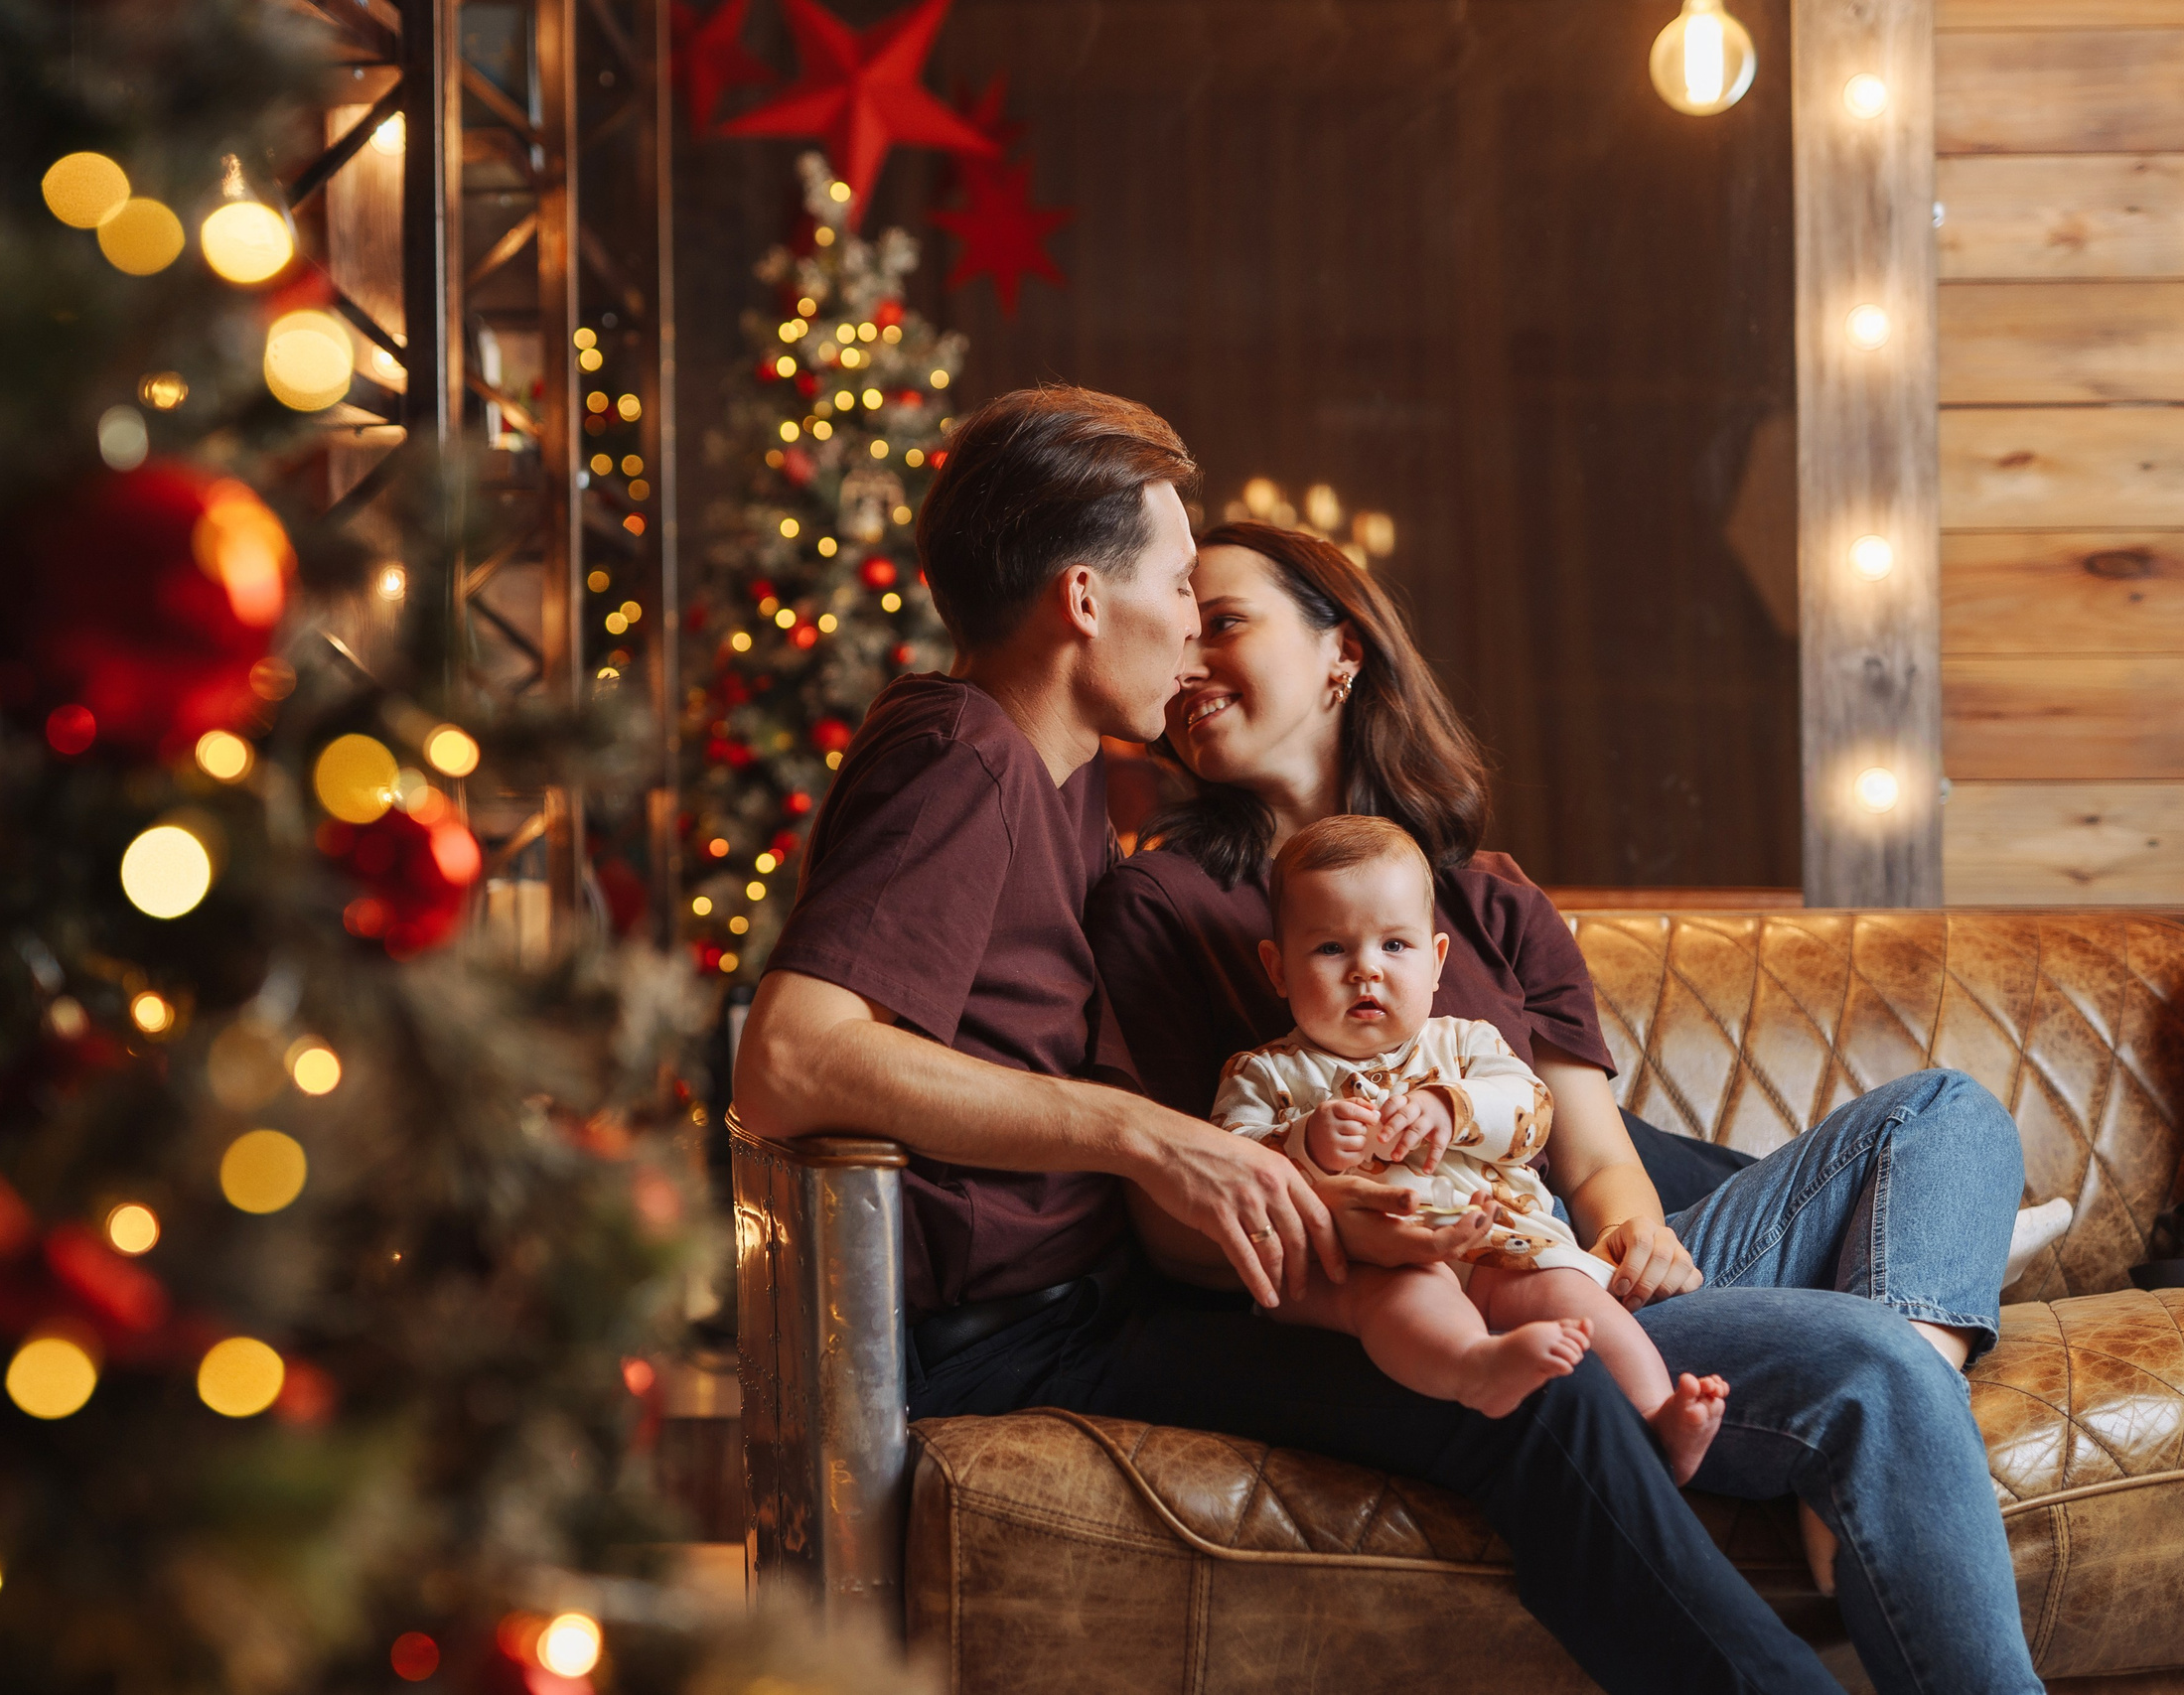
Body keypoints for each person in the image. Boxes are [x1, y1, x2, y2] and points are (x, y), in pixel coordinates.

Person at [734, 383, 1850, 1695]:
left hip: (1097, 1301)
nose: (1192, 646)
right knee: (1535, 1399)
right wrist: (1152, 1138)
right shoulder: (964, 752)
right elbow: (791, 1054)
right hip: (1027, 1336)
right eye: (1176, 591)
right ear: (1086, 600)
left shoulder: (1063, 778)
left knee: (1541, 1352)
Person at [1087, 518, 2042, 1694]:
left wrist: (1636, 1233)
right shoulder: (1161, 901)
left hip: (1579, 1247)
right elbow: (1178, 1209)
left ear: (1341, 652)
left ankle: (1914, 1361)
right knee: (1869, 1363)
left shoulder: (1489, 900)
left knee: (1946, 1110)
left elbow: (1591, 1157)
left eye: (1221, 622)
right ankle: (1898, 1362)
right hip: (1471, 1283)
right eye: (1181, 630)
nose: (1186, 660)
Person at [1209, 814, 1732, 1482]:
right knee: (1402, 1301)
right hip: (1374, 1265)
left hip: (1504, 1244)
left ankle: (1660, 1415)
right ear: (1277, 968)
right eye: (1332, 949)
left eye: (1395, 945)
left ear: (1437, 963)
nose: (1366, 969)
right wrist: (1301, 1143)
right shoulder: (1265, 1074)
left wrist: (1452, 1106)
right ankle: (1474, 1367)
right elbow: (1230, 1161)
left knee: (1573, 1295)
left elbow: (1531, 1112)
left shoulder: (1466, 1045)